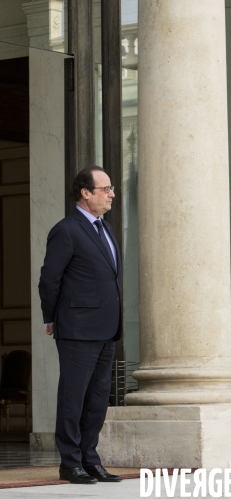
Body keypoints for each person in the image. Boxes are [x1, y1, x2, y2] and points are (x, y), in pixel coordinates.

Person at [39, 166, 122, 484]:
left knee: (97, 399)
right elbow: (49, 279)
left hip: (106, 328)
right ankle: (70, 462)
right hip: (77, 327)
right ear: (85, 192)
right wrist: (52, 317)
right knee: (74, 397)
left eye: (111, 188)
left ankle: (90, 459)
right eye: (106, 188)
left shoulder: (107, 229)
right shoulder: (67, 229)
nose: (111, 193)